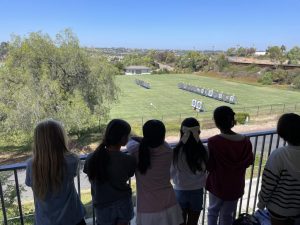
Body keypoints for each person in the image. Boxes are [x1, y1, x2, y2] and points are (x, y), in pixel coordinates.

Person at [25, 119, 86, 225]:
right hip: (72, 217)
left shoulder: (31, 164)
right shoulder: (72, 160)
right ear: (60, 137)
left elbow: (30, 184)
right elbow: (74, 174)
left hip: (45, 220)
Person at [126, 120, 183, 225]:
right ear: (163, 136)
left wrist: (143, 139)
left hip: (147, 209)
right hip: (169, 203)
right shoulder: (168, 151)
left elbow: (130, 140)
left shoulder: (135, 151)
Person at [206, 106, 253, 225]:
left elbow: (209, 166)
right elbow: (248, 162)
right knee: (227, 215)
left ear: (216, 122)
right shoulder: (245, 141)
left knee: (212, 211)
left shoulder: (213, 142)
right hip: (235, 186)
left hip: (217, 184)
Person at [84, 119, 136, 225]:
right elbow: (129, 174)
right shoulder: (128, 159)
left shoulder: (91, 158)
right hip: (123, 202)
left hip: (102, 205)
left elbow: (91, 178)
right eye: (127, 135)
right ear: (122, 139)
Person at [257, 113, 300, 225]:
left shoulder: (278, 155)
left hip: (278, 210)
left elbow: (268, 185)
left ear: (282, 133)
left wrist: (261, 204)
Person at [171, 117, 208, 225]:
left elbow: (171, 173)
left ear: (181, 132)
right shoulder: (204, 150)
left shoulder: (175, 152)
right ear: (198, 132)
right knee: (193, 223)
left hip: (179, 191)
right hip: (197, 191)